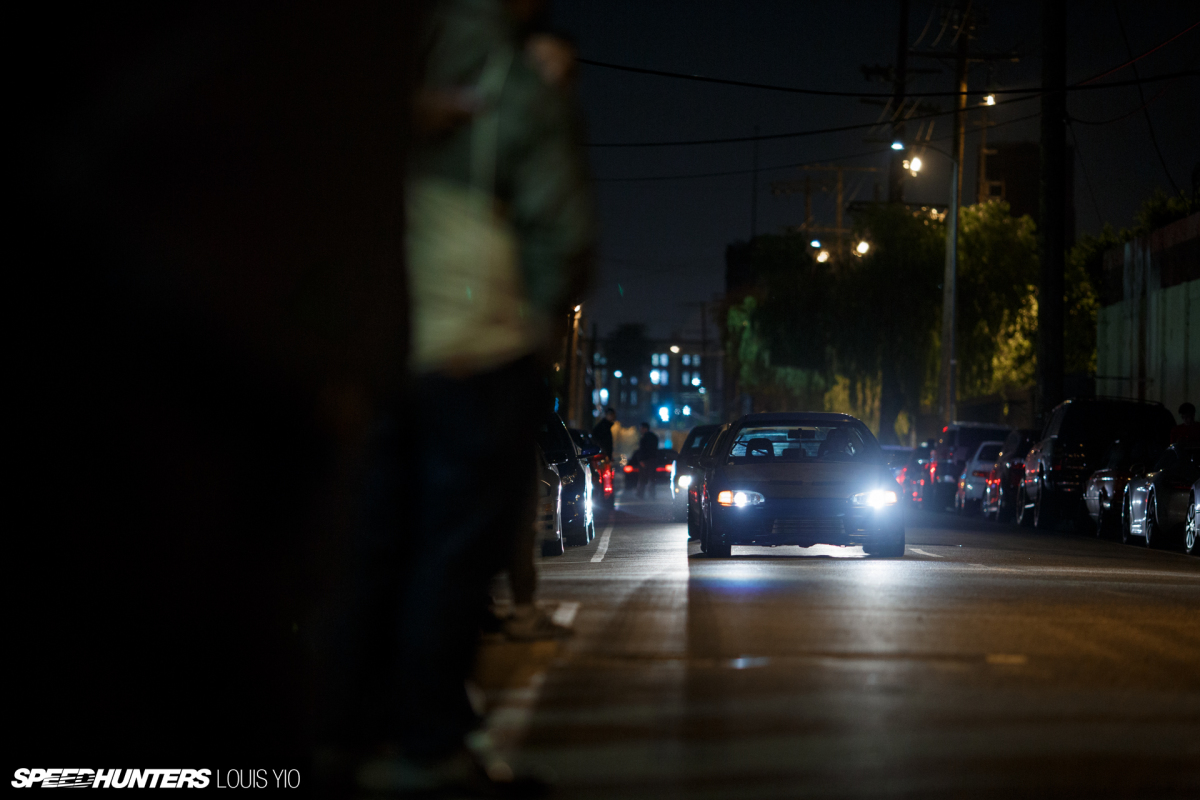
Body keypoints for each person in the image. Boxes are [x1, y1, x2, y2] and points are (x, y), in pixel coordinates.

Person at [330, 0, 595, 794]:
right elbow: (560, 224)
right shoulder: (511, 72)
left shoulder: (363, 55)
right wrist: (539, 324)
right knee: (452, 549)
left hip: (371, 337)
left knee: (375, 540)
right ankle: (430, 740)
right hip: (474, 342)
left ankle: (350, 730)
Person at [636, 422, 660, 499]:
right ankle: (652, 495)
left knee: (643, 478)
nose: (640, 430)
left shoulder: (644, 438)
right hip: (653, 460)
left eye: (641, 429)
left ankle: (640, 494)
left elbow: (642, 450)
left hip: (646, 460)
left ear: (644, 429)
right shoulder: (654, 437)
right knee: (652, 478)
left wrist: (641, 460)